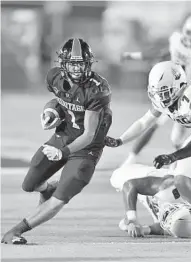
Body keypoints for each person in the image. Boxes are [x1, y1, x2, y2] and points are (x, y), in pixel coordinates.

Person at [1, 37, 112, 245]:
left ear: (88, 64)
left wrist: (63, 152)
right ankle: (47, 188)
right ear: (63, 64)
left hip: (86, 148)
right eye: (73, 64)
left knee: (60, 198)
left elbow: (88, 134)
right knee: (29, 184)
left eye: (81, 64)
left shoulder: (97, 88)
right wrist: (52, 110)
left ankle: (16, 230)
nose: (77, 69)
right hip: (63, 135)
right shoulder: (54, 77)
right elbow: (62, 100)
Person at [105, 60, 191, 238]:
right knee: (182, 182)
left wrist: (172, 157)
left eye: (165, 92)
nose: (161, 97)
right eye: (158, 93)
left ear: (179, 85)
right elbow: (144, 122)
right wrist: (121, 140)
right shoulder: (165, 99)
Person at [121, 14, 191, 166]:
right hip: (170, 90)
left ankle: (180, 161)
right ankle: (134, 157)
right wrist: (133, 56)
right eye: (190, 33)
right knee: (155, 124)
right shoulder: (177, 42)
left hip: (185, 94)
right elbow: (160, 54)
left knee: (182, 135)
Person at [110, 163, 191, 238]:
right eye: (168, 215)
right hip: (151, 177)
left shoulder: (185, 222)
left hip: (164, 194)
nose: (164, 218)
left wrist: (144, 230)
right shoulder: (168, 190)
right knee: (116, 177)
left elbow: (163, 228)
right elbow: (130, 185)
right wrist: (132, 219)